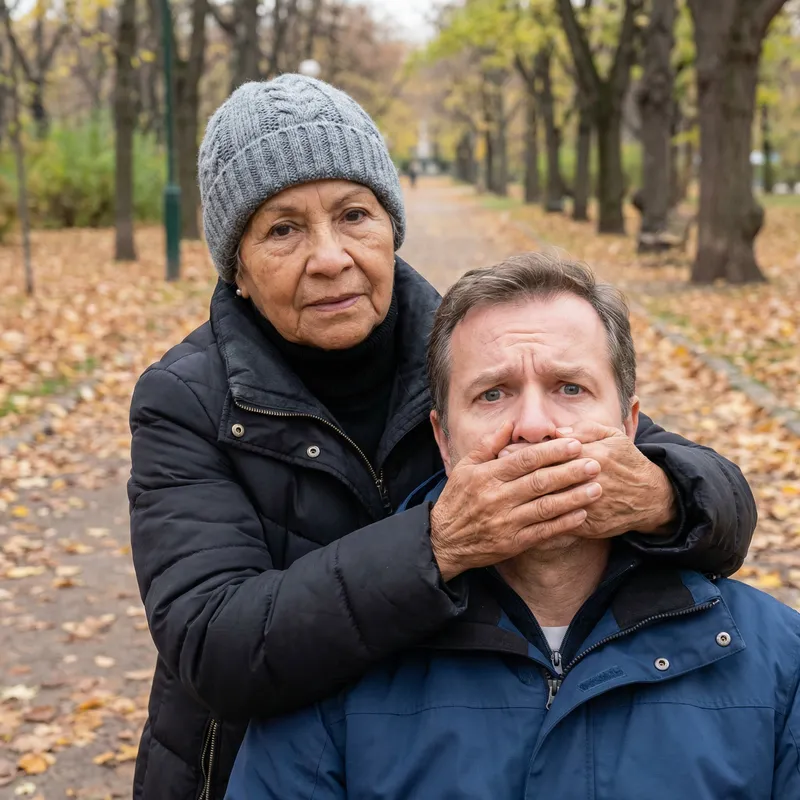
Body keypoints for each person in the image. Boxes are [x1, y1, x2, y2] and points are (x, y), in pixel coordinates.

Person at [128, 75, 756, 800]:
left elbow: (722, 509)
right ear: (236, 268)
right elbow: (214, 644)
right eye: (282, 230)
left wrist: (661, 496)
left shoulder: (474, 354)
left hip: (437, 754)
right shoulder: (184, 401)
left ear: (391, 227)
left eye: (354, 215)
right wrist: (438, 545)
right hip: (254, 766)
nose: (329, 257)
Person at [226, 254, 800, 800]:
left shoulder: (778, 661)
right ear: (444, 441)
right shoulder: (335, 664)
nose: (532, 425)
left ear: (629, 427)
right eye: (492, 394)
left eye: (570, 388)